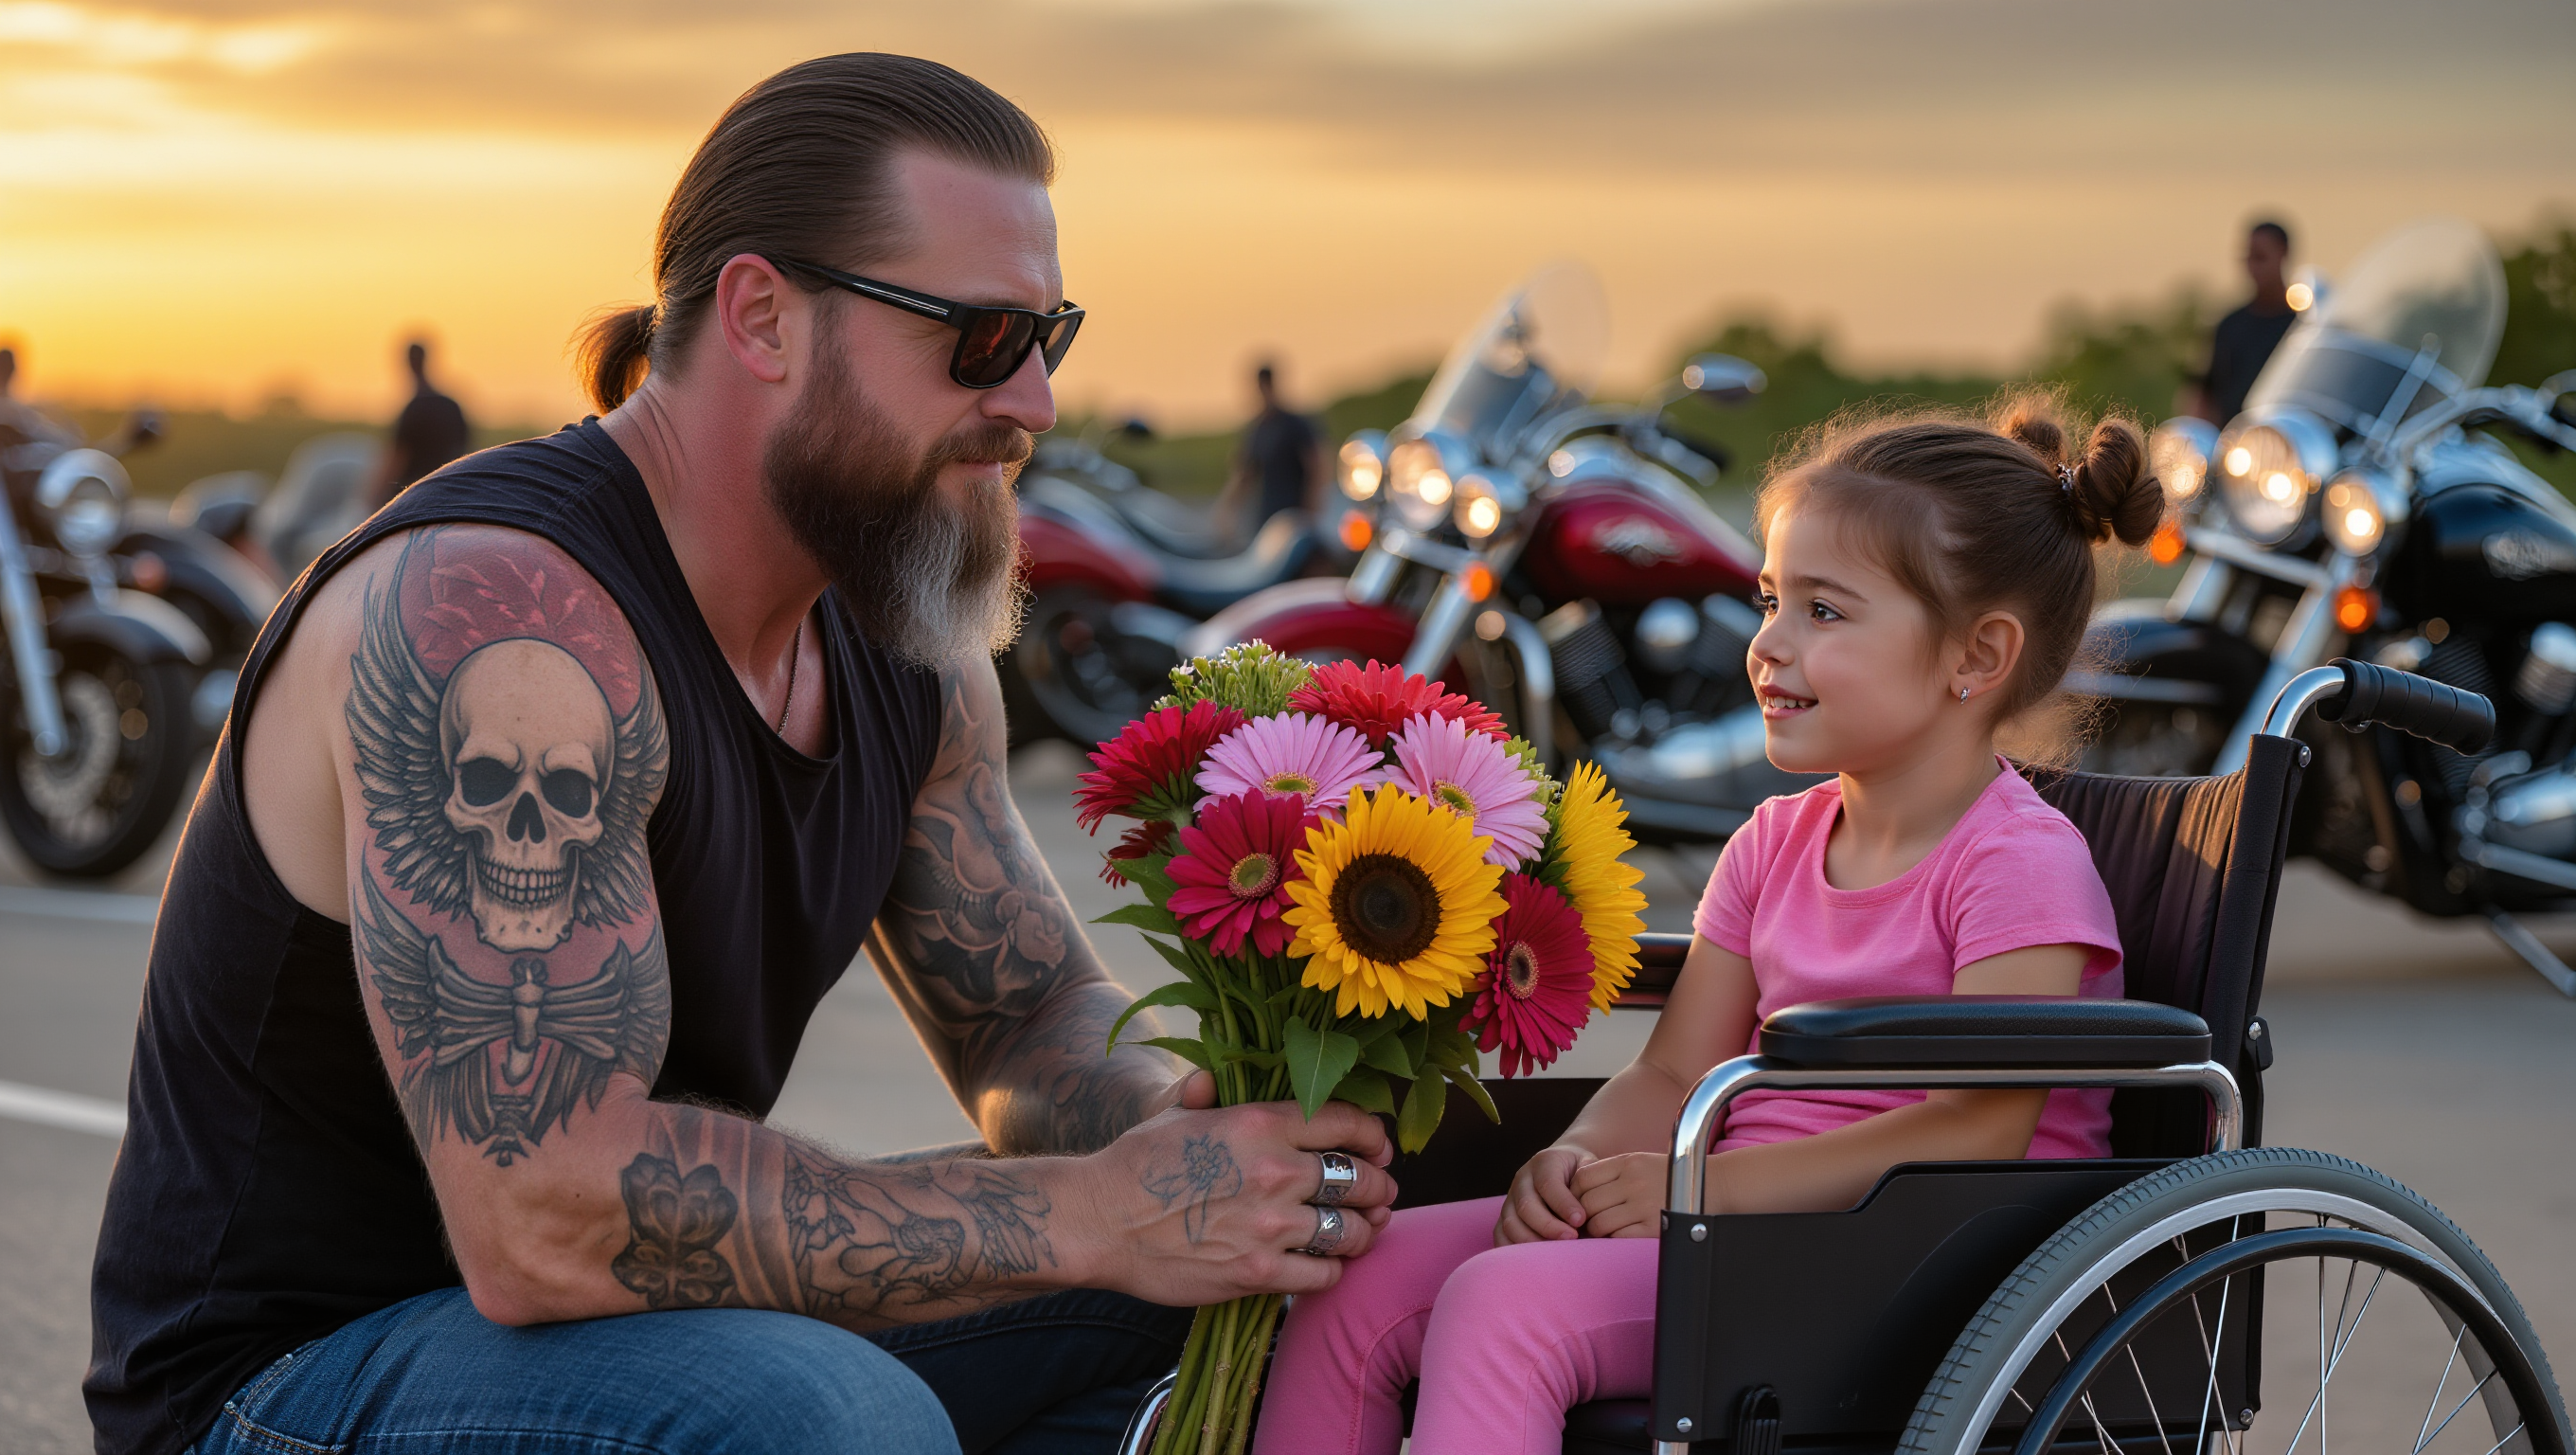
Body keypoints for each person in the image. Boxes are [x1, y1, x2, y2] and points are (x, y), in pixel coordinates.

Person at [86, 53, 1398, 1455]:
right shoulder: (500, 625)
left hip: (632, 1336)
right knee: (825, 1419)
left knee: (1278, 1299)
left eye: (1048, 338)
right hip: (285, 1383)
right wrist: (1093, 1218)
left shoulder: (899, 626)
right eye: (977, 337)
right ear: (763, 315)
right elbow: (545, 1211)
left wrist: (1201, 1159)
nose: (1034, 403)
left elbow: (1024, 1022)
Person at [1249, 398, 2166, 1455]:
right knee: (1354, 1282)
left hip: (1907, 1262)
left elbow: (1974, 1130)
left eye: (1823, 613)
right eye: (1770, 599)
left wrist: (1694, 1189)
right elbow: (1673, 1076)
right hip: (1729, 1224)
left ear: (1978, 653)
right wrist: (1578, 1157)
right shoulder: (1773, 842)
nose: (1767, 645)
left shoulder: (2016, 863)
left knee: (1502, 1310)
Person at [2196, 219, 2299, 424]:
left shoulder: (2302, 326)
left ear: (2283, 254)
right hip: (2233, 447)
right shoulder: (2229, 325)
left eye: (2261, 257)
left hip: (2285, 445)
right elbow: (2204, 392)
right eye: (2249, 258)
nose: (2253, 267)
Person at [369, 337, 473, 508]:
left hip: (414, 497)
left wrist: (372, 499)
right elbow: (466, 451)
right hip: (449, 492)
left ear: (408, 363)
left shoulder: (414, 409)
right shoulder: (451, 407)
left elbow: (397, 458)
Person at [1223, 361, 1319, 539]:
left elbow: (1316, 468)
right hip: (1266, 517)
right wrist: (1228, 510)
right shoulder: (1258, 429)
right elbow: (1246, 474)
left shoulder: (1294, 425)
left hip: (1293, 516)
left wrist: (1310, 513)